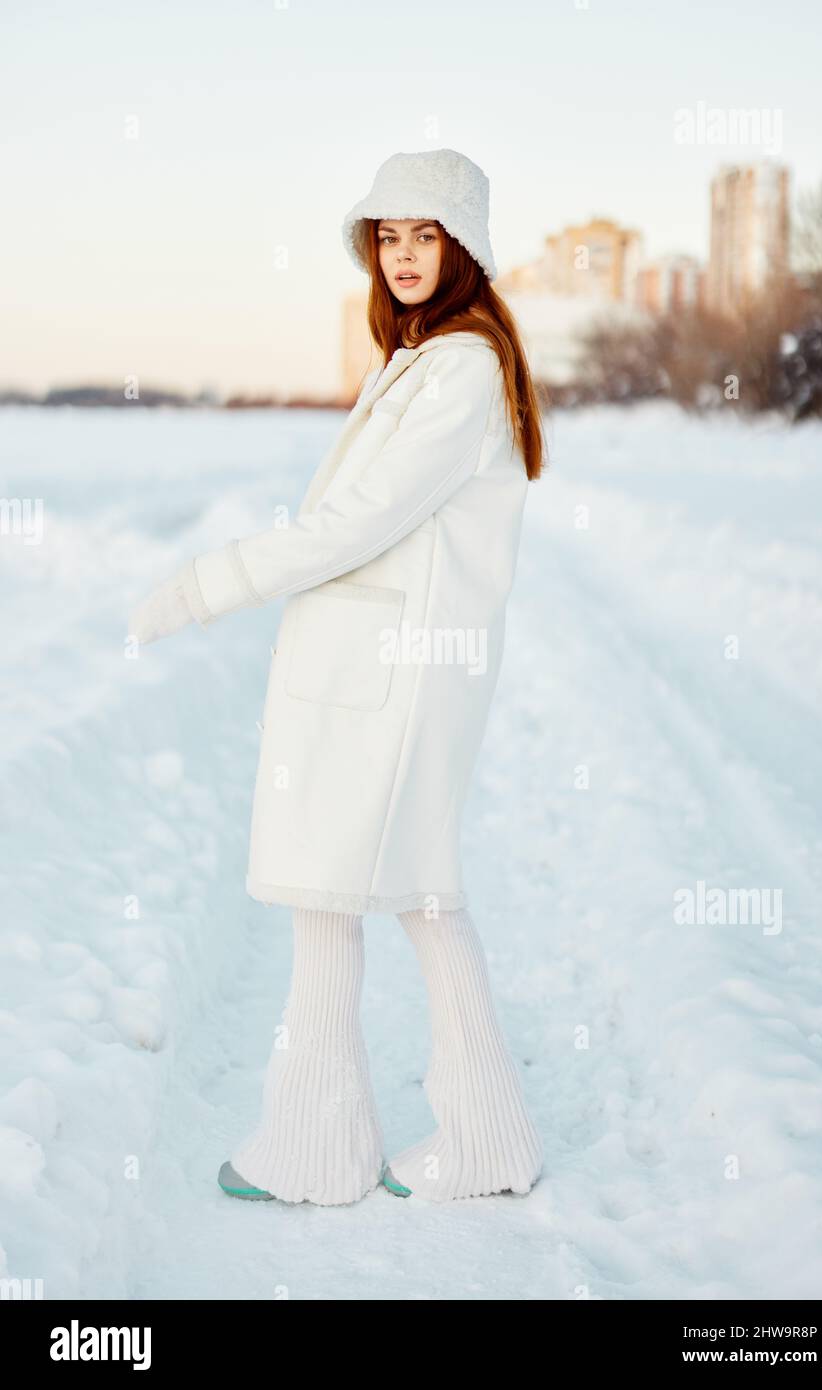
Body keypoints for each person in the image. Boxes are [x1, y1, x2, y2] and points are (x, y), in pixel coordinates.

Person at [128, 147, 548, 1205]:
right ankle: (456, 1134)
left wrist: (209, 581)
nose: (403, 255)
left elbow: (356, 525)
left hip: (395, 684)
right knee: (397, 894)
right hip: (383, 675)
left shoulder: (454, 369)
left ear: (464, 247)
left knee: (365, 894)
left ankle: (335, 1147)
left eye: (425, 234)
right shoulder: (428, 357)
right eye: (388, 236)